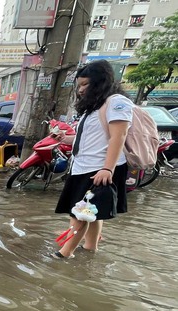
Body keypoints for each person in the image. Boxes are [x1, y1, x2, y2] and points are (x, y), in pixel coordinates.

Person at [52, 60, 132, 258]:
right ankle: (90, 249)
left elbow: (119, 136)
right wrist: (64, 138)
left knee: (79, 214)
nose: (80, 90)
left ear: (100, 82)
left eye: (85, 84)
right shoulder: (94, 108)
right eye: (79, 85)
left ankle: (63, 255)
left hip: (99, 168)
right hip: (83, 167)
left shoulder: (116, 102)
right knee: (92, 213)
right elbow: (88, 139)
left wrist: (107, 169)